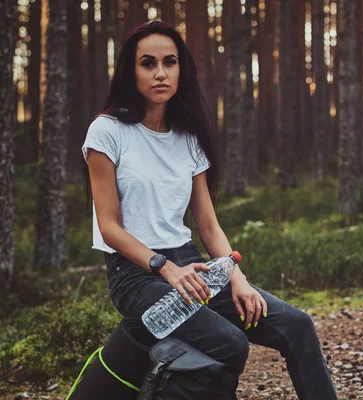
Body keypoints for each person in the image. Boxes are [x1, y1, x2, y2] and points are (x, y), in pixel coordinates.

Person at [82, 21, 337, 400]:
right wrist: (164, 268)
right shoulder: (108, 131)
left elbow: (207, 223)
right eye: (147, 63)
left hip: (192, 267)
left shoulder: (188, 136)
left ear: (181, 69)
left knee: (296, 325)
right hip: (137, 275)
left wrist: (238, 279)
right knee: (230, 343)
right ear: (130, 71)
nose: (160, 73)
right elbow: (108, 227)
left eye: (170, 62)